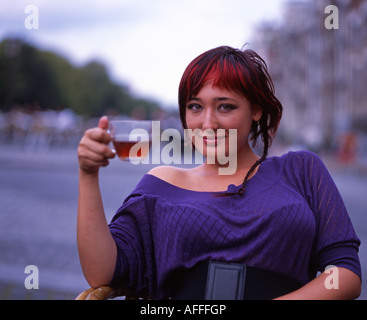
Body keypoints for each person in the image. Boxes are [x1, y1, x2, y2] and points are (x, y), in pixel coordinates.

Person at [77, 46, 361, 300]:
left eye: (225, 106)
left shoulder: (301, 170)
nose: (208, 122)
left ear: (256, 110)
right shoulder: (161, 184)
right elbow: (102, 274)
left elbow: (345, 275)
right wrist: (88, 174)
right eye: (195, 107)